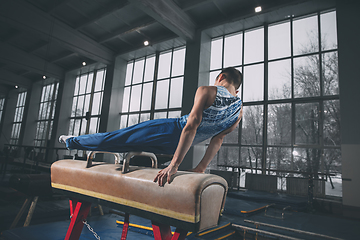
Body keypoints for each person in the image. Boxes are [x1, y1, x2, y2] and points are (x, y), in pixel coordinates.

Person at [59, 67, 243, 186]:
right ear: (237, 90)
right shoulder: (238, 111)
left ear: (221, 77)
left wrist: (174, 165)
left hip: (171, 132)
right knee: (130, 149)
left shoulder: (208, 90)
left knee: (119, 137)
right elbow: (217, 140)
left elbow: (190, 126)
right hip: (175, 148)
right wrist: (201, 167)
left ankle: (73, 142)